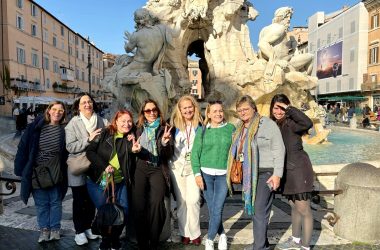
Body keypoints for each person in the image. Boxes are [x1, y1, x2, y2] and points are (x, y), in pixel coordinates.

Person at [226, 95, 285, 250]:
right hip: (250, 174)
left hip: (266, 173)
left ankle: (259, 247)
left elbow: (279, 149)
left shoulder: (268, 124)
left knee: (259, 211)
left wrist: (277, 174)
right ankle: (261, 244)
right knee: (257, 212)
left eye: (245, 109)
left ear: (254, 108)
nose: (243, 112)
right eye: (239, 110)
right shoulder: (240, 127)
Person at [14, 101, 68, 243]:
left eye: (61, 110)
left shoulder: (65, 130)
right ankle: (44, 230)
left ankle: (55, 229)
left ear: (64, 114)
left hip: (55, 169)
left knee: (56, 201)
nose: (57, 112)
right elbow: (23, 147)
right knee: (41, 202)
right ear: (49, 111)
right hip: (37, 170)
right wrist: (20, 169)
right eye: (55, 109)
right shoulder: (35, 127)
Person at [86, 109, 135, 250]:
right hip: (98, 179)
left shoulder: (130, 138)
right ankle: (107, 241)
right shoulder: (104, 133)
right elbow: (90, 152)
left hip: (120, 181)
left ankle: (114, 239)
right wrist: (105, 166)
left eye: (129, 121)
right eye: (123, 121)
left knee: (124, 211)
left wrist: (134, 145)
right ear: (116, 121)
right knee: (104, 211)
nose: (127, 124)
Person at [270, 94, 314, 250]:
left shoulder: (291, 123)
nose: (279, 111)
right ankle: (295, 240)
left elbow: (308, 123)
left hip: (299, 170)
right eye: (276, 107)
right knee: (294, 206)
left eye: (282, 107)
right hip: (287, 172)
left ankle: (306, 246)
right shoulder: (275, 125)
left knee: (304, 209)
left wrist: (289, 110)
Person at [191, 100, 235, 250]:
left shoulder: (230, 128)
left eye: (220, 111)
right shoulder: (202, 130)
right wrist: (197, 174)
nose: (218, 114)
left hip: (224, 175)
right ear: (208, 114)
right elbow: (195, 154)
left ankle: (209, 238)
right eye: (214, 111)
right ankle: (222, 235)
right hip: (206, 175)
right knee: (213, 208)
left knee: (218, 208)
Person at [65, 93, 108, 245]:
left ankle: (88, 227)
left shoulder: (102, 121)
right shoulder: (73, 124)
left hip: (95, 167)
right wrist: (87, 140)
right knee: (79, 200)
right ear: (78, 106)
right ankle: (79, 231)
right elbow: (70, 146)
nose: (87, 104)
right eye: (83, 102)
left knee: (91, 200)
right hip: (79, 165)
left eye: (89, 101)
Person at [131, 99, 173, 250]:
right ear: (143, 113)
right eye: (148, 111)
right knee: (139, 205)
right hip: (141, 167)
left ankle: (154, 241)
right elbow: (132, 147)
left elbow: (167, 155)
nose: (151, 113)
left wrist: (164, 143)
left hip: (157, 168)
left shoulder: (165, 128)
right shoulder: (137, 128)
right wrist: (135, 151)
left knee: (157, 204)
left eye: (154, 109)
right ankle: (142, 242)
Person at [169, 95, 203, 245]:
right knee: (182, 202)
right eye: (185, 108)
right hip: (176, 168)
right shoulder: (173, 126)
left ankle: (195, 232)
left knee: (194, 199)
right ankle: (185, 233)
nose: (188, 110)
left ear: (194, 107)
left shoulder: (200, 125)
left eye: (190, 107)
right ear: (180, 110)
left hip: (194, 168)